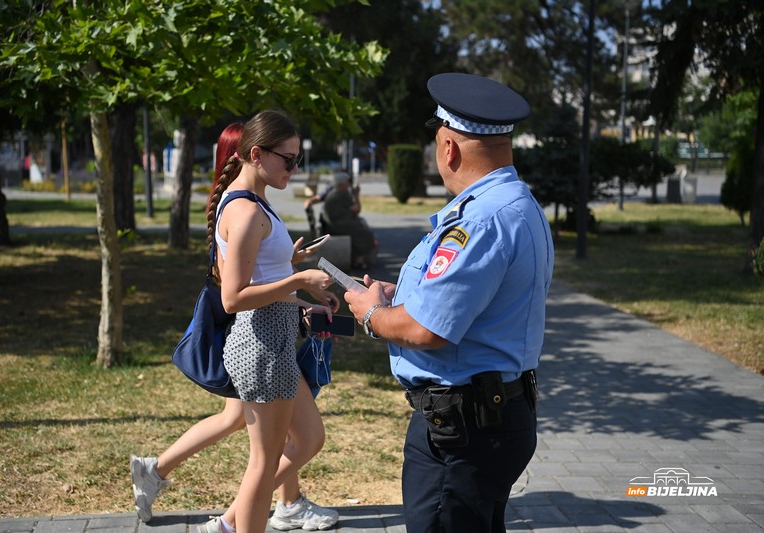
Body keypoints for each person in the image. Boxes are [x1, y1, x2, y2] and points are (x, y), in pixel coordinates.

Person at [343, 73, 555, 533]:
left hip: (462, 431)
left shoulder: (480, 220)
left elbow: (427, 330)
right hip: (491, 416)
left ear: (449, 149)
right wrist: (399, 296)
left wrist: (372, 315)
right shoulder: (518, 205)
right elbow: (470, 301)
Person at [132, 112, 340, 533]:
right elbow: (233, 298)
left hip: (273, 341)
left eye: (298, 159)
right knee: (263, 467)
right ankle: (230, 524)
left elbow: (257, 276)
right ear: (257, 154)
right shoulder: (245, 209)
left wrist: (298, 290)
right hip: (263, 348)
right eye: (289, 159)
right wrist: (299, 278)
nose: (294, 169)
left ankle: (228, 522)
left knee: (308, 439)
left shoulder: (251, 200)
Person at [321, 172, 377, 269]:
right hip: (338, 226)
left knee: (361, 225)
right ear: (342, 184)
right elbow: (357, 209)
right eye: (348, 182)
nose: (349, 184)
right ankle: (359, 259)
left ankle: (357, 258)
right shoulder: (341, 194)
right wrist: (356, 195)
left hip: (333, 224)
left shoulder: (333, 193)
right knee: (365, 233)